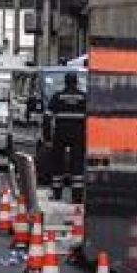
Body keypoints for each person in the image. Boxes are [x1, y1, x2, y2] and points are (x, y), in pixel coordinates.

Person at [45, 71, 88, 202]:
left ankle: (57, 193)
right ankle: (77, 196)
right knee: (77, 164)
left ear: (65, 82)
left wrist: (47, 137)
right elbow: (91, 118)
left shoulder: (57, 97)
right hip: (78, 134)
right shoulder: (84, 97)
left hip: (60, 133)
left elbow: (47, 118)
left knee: (57, 162)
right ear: (76, 82)